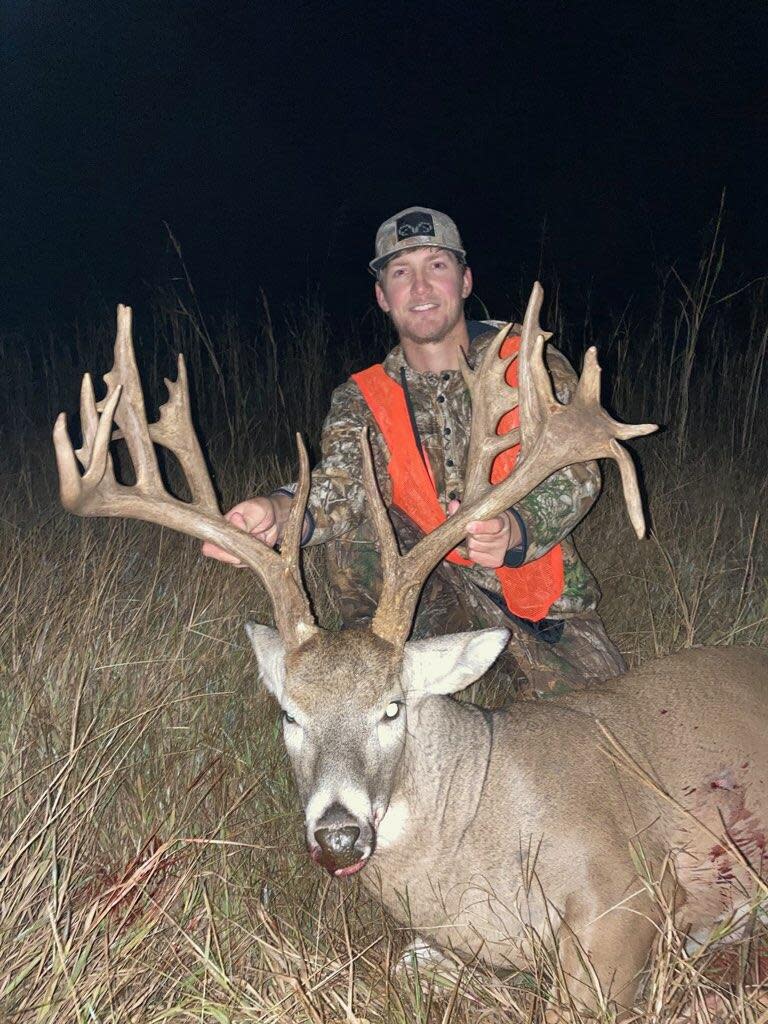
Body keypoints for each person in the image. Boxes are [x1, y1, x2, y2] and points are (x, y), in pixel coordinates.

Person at [204, 207, 626, 695]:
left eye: (437, 266)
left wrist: (517, 527)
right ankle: (383, 662)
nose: (421, 287)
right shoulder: (362, 397)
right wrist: (280, 513)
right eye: (401, 272)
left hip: (529, 588)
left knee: (600, 723)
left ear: (465, 281)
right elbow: (346, 484)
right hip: (421, 592)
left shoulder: (529, 364)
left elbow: (578, 468)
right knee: (365, 518)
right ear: (382, 296)